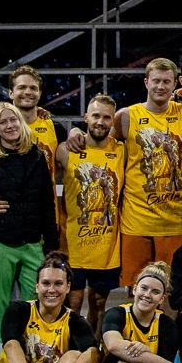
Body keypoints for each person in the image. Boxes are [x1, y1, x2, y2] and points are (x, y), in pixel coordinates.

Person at [0, 101, 60, 339]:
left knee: (39, 311)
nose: (10, 126)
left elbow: (47, 203)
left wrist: (52, 247)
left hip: (32, 244)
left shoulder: (37, 156)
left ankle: (34, 359)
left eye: (13, 120)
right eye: (3, 122)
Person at [112, 56, 182, 284]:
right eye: (156, 81)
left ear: (175, 84)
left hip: (174, 221)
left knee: (172, 286)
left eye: (166, 81)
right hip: (136, 220)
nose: (161, 86)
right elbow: (97, 142)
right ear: (146, 82)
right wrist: (75, 133)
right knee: (136, 287)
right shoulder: (126, 116)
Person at [58, 93, 127, 330]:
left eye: (106, 117)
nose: (100, 122)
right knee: (73, 303)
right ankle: (68, 346)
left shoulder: (122, 151)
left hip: (106, 247)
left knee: (98, 303)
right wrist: (73, 133)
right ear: (86, 117)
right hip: (74, 245)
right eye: (96, 115)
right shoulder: (65, 150)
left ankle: (93, 348)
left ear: (112, 121)